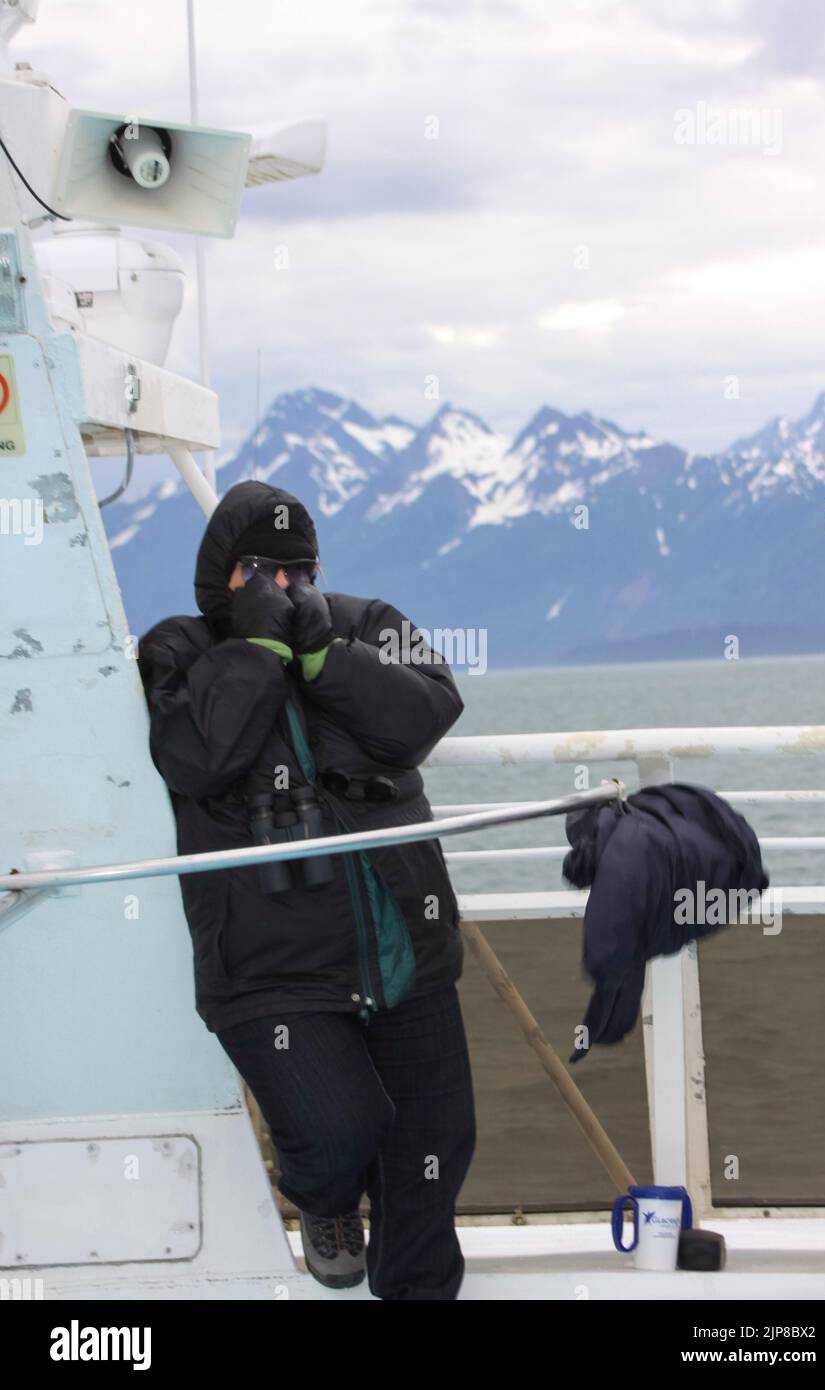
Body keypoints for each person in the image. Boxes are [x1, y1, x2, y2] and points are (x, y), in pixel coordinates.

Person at [137, 479, 476, 1301]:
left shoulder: (368, 624)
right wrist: (256, 656)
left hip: (402, 942)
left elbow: (426, 714)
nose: (284, 588)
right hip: (266, 963)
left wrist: (329, 657)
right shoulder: (174, 650)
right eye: (259, 570)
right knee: (339, 1128)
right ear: (222, 574)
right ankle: (324, 1201)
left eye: (300, 570)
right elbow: (196, 756)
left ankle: (418, 1290)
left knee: (437, 1146)